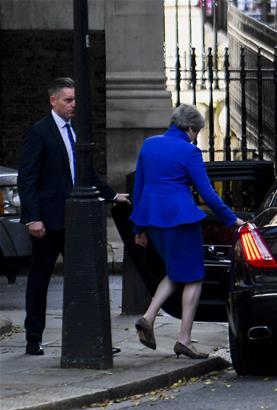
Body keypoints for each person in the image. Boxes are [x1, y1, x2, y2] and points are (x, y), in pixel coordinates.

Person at [18, 77, 129, 356]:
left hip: (76, 219)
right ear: (53, 101)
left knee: (86, 277)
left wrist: (113, 195)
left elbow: (86, 172)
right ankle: (34, 338)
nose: (73, 105)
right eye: (68, 100)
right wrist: (32, 218)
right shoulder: (39, 132)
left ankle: (94, 338)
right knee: (39, 279)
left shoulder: (76, 132)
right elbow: (27, 178)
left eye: (75, 100)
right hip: (47, 221)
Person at [130, 105, 244, 359]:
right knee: (193, 276)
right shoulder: (189, 151)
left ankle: (148, 317)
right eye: (197, 131)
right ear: (191, 129)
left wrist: (138, 228)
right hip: (180, 219)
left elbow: (138, 187)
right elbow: (208, 193)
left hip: (151, 219)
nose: (196, 136)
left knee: (175, 271)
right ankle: (183, 339)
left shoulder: (149, 145)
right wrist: (230, 219)